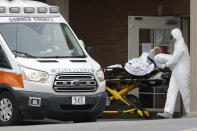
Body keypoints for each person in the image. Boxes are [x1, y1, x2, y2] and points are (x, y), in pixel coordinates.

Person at [156, 28, 190, 119]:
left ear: (176, 35)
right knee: (171, 91)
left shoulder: (181, 46)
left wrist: (165, 64)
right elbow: (174, 60)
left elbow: (174, 60)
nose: (171, 38)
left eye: (172, 36)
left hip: (182, 73)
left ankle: (190, 112)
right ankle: (168, 112)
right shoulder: (178, 44)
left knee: (185, 93)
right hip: (176, 71)